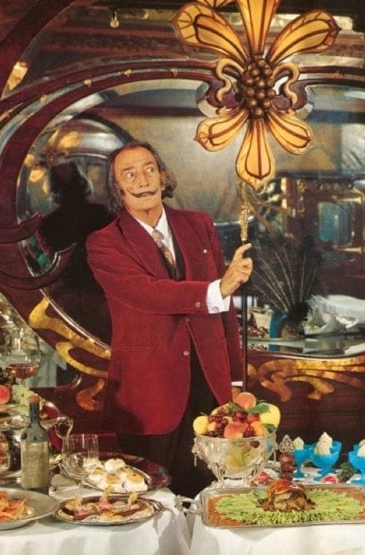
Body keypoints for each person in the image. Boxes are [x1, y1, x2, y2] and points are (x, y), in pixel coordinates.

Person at [86, 141, 252, 497]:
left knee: (212, 492)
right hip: (149, 392)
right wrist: (216, 288)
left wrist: (235, 378)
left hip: (209, 385)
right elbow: (147, 293)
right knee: (147, 501)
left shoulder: (198, 225)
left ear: (163, 177)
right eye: (129, 173)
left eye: (149, 168)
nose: (142, 179)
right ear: (117, 189)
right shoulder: (103, 243)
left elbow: (224, 308)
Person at [38, 161, 113, 343]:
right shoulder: (101, 213)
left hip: (69, 297)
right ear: (82, 183)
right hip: (96, 295)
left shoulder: (47, 224)